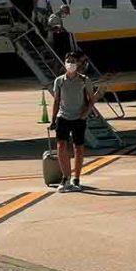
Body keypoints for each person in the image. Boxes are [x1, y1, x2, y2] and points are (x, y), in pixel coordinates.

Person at [49, 52, 94, 192]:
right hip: (63, 117)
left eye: (73, 61)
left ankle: (77, 178)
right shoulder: (59, 81)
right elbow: (56, 100)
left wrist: (85, 114)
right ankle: (65, 177)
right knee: (61, 146)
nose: (70, 63)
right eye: (68, 60)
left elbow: (91, 99)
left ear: (79, 64)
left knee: (78, 148)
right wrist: (53, 119)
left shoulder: (84, 80)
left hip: (78, 118)